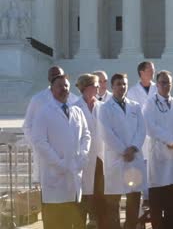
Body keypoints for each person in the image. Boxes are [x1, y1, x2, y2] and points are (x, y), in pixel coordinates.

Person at [31, 74, 91, 229]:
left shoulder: (77, 111)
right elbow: (40, 142)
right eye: (60, 86)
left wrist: (82, 157)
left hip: (74, 176)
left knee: (76, 223)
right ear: (51, 89)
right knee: (57, 224)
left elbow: (86, 135)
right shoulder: (44, 112)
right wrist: (59, 163)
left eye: (66, 86)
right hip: (54, 179)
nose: (64, 89)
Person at [98, 73, 147, 229]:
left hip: (134, 158)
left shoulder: (135, 106)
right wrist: (123, 150)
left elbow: (142, 130)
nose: (122, 87)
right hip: (116, 159)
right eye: (118, 84)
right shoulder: (105, 108)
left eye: (124, 84)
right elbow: (106, 133)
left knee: (133, 201)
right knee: (113, 204)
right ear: (112, 87)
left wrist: (133, 148)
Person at [142, 70, 173, 229]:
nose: (165, 85)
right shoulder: (150, 103)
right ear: (157, 84)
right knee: (157, 208)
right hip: (159, 159)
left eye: (168, 82)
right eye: (162, 82)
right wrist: (170, 139)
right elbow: (149, 127)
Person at [23, 66, 79, 184]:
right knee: (49, 194)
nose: (56, 77)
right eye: (53, 76)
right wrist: (38, 147)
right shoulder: (38, 99)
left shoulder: (74, 100)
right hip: (46, 156)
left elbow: (83, 131)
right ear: (49, 78)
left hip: (69, 157)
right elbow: (27, 125)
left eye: (59, 75)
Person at [74, 74, 106, 229]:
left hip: (100, 157)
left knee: (99, 194)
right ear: (86, 87)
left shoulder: (102, 106)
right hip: (83, 157)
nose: (99, 87)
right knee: (83, 196)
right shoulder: (75, 107)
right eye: (95, 84)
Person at [127, 61, 157, 203]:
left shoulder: (157, 89)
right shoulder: (132, 92)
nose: (153, 72)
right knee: (143, 168)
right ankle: (145, 200)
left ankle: (153, 199)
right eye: (150, 70)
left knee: (154, 167)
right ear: (142, 72)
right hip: (140, 135)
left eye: (153, 70)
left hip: (155, 135)